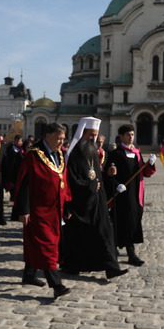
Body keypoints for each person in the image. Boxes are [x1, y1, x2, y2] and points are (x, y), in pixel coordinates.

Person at [60, 117, 128, 279]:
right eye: (91, 135)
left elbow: (95, 175)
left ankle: (111, 267)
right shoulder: (74, 154)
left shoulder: (91, 151)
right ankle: (74, 265)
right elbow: (72, 179)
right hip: (81, 204)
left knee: (105, 232)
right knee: (81, 236)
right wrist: (90, 186)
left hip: (97, 202)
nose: (94, 139)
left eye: (95, 135)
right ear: (83, 133)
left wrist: (107, 175)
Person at [13, 122, 72, 298]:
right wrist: (23, 210)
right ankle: (56, 285)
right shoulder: (33, 156)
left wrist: (68, 204)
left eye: (63, 138)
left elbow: (64, 182)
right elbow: (24, 184)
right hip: (38, 210)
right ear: (47, 136)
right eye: (58, 138)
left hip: (56, 209)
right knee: (47, 246)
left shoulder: (60, 155)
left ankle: (29, 274)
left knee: (37, 244)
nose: (61, 142)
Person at [104, 124, 157, 267]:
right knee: (121, 223)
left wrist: (150, 164)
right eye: (128, 134)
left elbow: (145, 173)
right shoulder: (115, 154)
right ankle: (122, 252)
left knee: (133, 222)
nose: (131, 137)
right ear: (121, 136)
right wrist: (116, 185)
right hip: (122, 195)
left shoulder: (137, 153)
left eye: (132, 134)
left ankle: (130, 253)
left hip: (136, 194)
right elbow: (107, 175)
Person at [2, 135, 26, 202]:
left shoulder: (23, 149)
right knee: (12, 188)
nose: (19, 142)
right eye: (18, 141)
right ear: (15, 141)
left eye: (20, 141)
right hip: (11, 171)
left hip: (20, 171)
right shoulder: (9, 149)